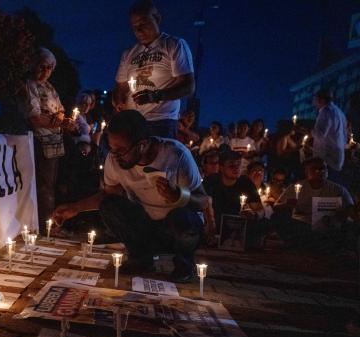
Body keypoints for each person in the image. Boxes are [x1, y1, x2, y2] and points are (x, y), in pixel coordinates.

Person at [52, 110, 208, 282]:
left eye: (121, 150)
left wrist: (179, 195)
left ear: (142, 145)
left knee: (183, 216)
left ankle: (184, 264)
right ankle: (141, 258)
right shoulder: (114, 159)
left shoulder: (176, 156)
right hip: (146, 226)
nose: (115, 156)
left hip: (176, 230)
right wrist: (76, 207)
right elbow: (106, 195)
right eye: (112, 149)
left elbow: (203, 201)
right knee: (110, 205)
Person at [112, 0, 195, 138]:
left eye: (143, 23)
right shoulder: (128, 54)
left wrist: (156, 96)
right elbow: (120, 87)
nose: (138, 30)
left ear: (157, 19)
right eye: (134, 26)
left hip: (160, 122)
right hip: (132, 122)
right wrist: (118, 100)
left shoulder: (174, 45)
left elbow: (188, 86)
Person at [20, 47, 74, 233]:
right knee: (43, 187)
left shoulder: (50, 87)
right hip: (40, 141)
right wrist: (57, 121)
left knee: (51, 185)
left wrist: (61, 117)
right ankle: (44, 226)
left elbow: (60, 109)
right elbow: (34, 118)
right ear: (33, 65)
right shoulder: (30, 85)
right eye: (42, 66)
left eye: (50, 68)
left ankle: (49, 222)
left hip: (54, 142)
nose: (45, 71)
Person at [272, 157, 355, 251]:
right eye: (314, 168)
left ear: (327, 171)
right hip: (301, 225)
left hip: (328, 226)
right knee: (279, 218)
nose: (319, 171)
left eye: (322, 168)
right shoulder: (296, 187)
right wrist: (286, 204)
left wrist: (340, 214)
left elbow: (351, 210)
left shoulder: (338, 190)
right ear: (306, 171)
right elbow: (276, 207)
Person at [202, 149, 265, 246]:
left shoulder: (246, 183)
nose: (236, 169)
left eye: (238, 165)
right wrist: (210, 223)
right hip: (215, 223)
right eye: (231, 166)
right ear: (221, 168)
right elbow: (201, 205)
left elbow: (260, 209)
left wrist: (254, 214)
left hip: (238, 225)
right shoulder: (211, 182)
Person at [311, 88, 348, 185]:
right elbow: (345, 137)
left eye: (315, 98)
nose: (313, 101)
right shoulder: (340, 112)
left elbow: (320, 135)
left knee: (327, 191)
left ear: (321, 100)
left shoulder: (325, 112)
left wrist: (310, 132)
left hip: (327, 159)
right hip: (337, 157)